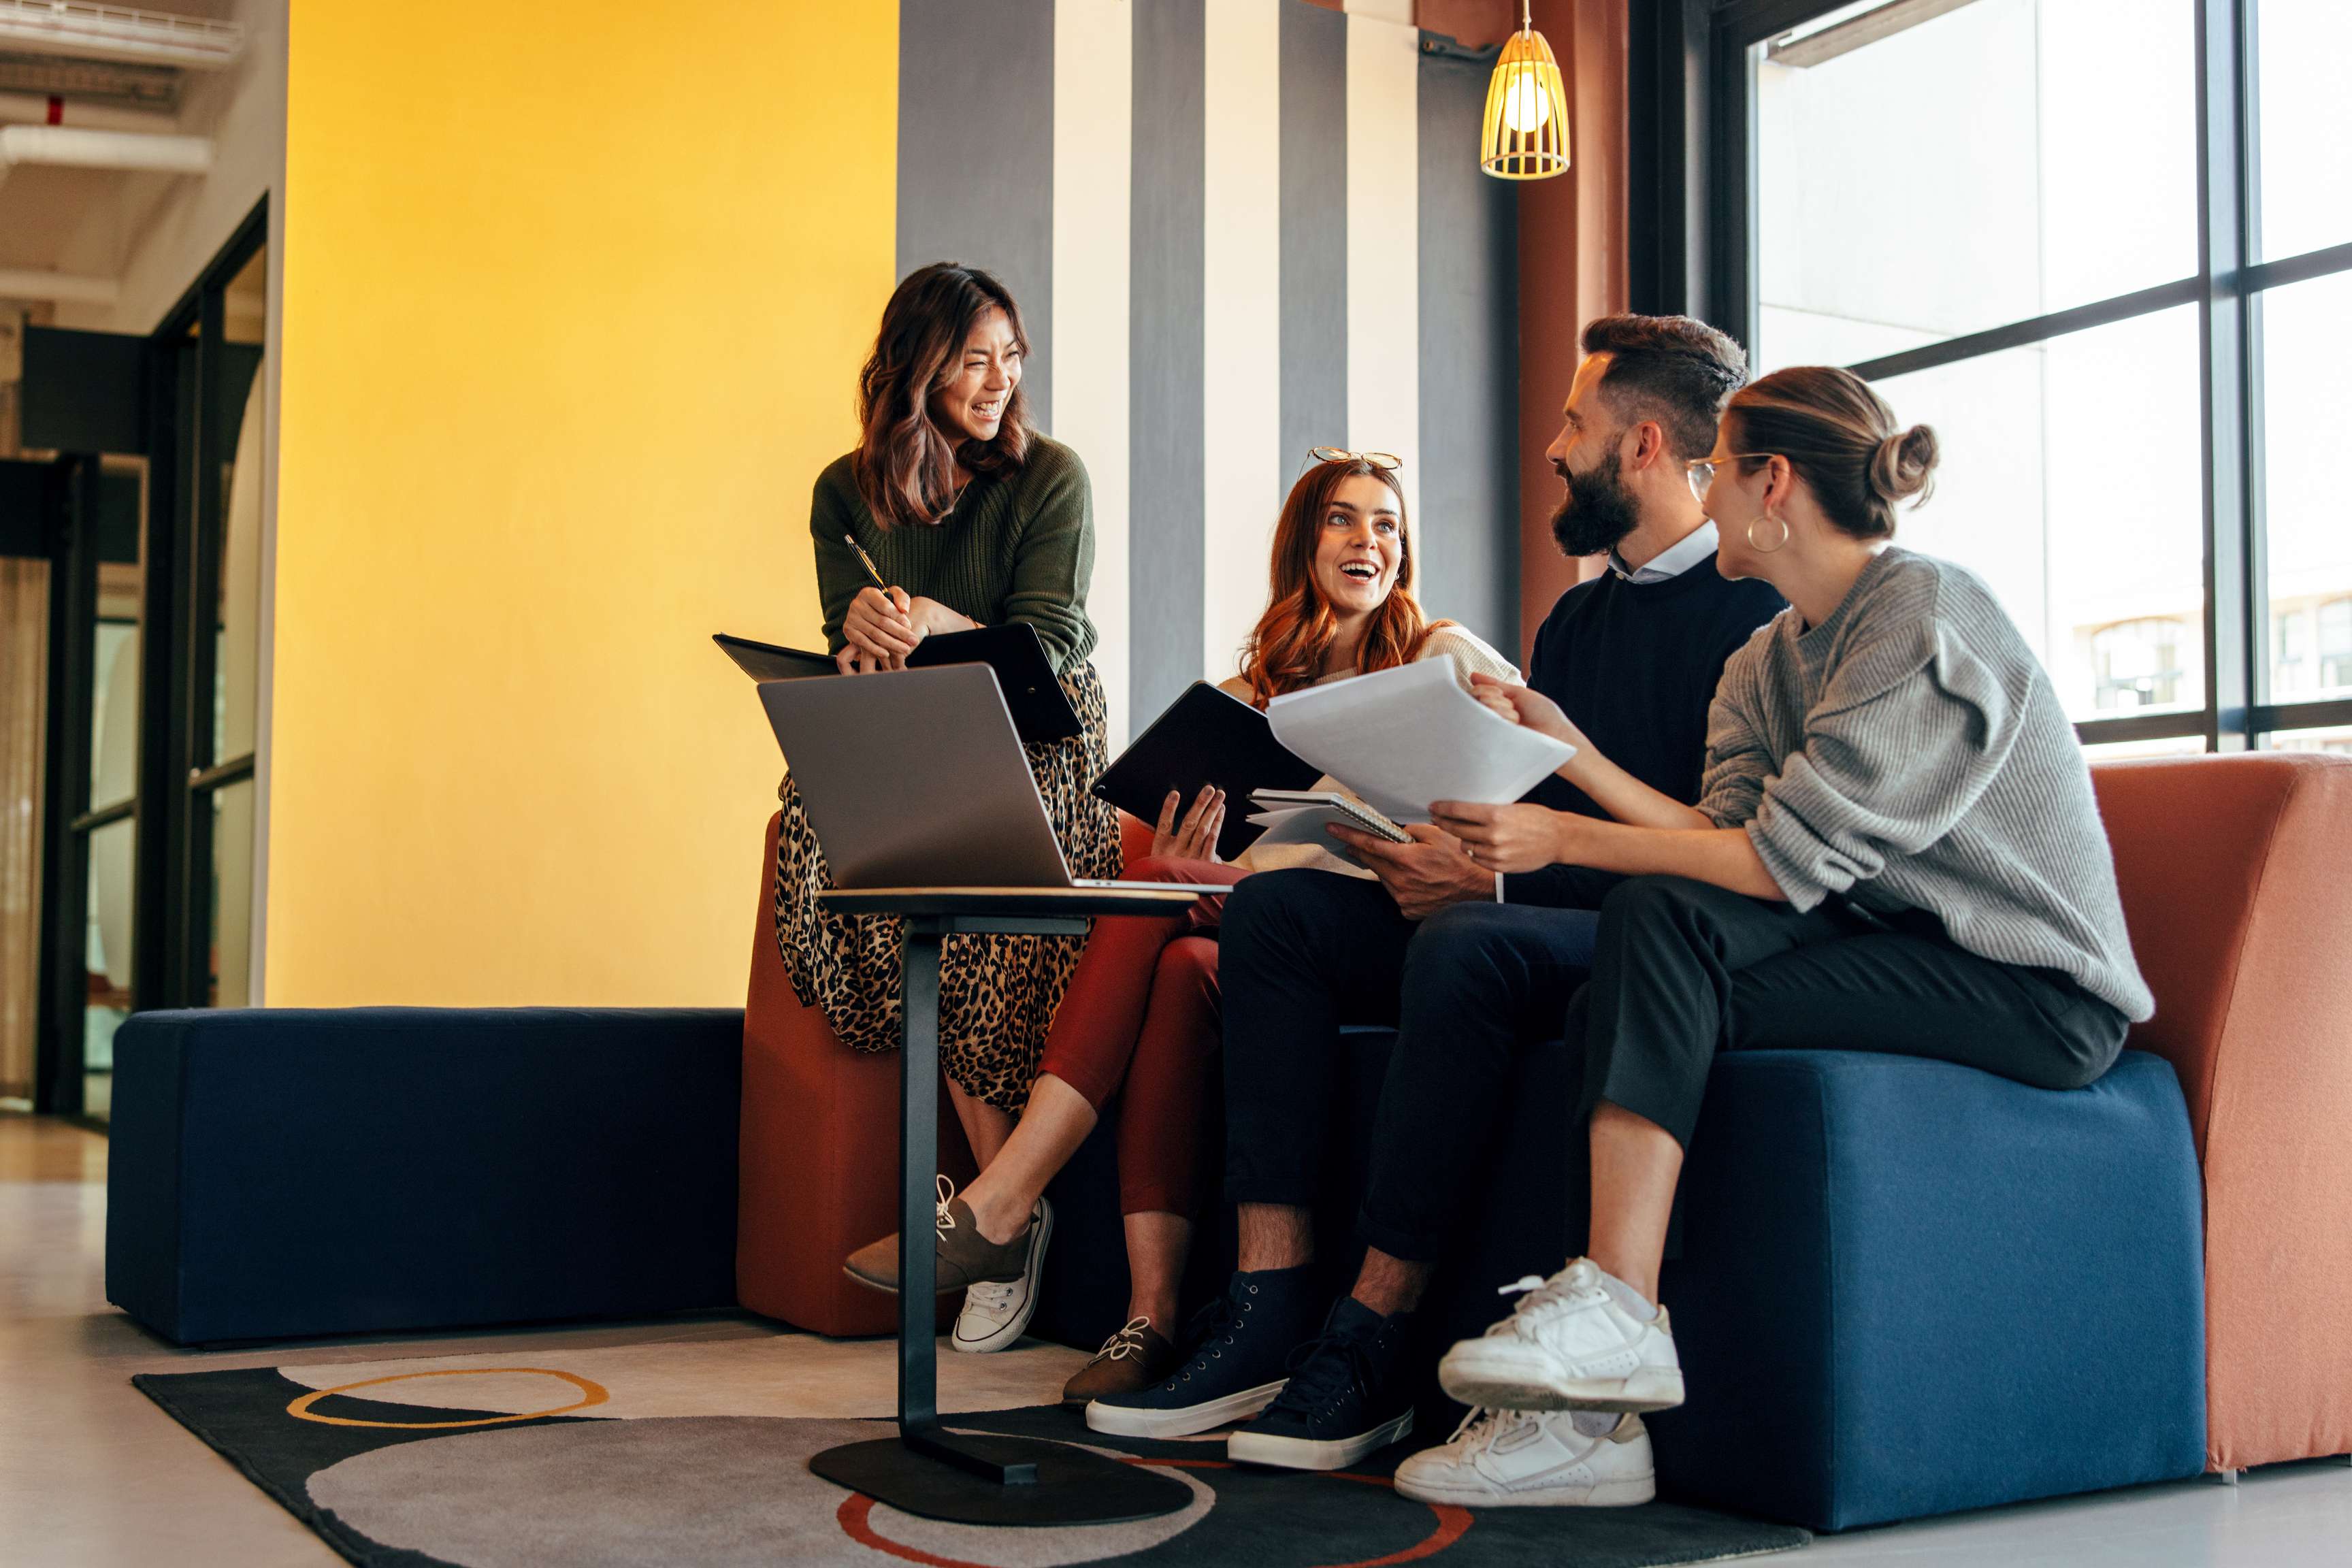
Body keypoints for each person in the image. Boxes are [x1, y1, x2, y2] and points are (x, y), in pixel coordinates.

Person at [1384, 365, 2155, 1507]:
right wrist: (1570, 754)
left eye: (1717, 469)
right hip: (1893, 947)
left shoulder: (1922, 616)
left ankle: (1614, 1323)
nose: (1701, 491)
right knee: (1623, 987)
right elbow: (1723, 833)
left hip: (2030, 987)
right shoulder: (1766, 657)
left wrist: (1561, 837)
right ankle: (1595, 1425)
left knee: (1652, 923)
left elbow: (1768, 866)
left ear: (1771, 483)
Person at [1087, 314, 1787, 1466]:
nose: (1553, 447)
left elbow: (1715, 855)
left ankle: (1374, 1338)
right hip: (1533, 908)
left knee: (1465, 946)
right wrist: (1457, 860)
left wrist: (1489, 885)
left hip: (1653, 936)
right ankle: (1267, 1309)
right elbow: (1522, 800)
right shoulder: (1575, 620)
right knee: (1278, 919)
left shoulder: (1754, 617)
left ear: (1646, 444)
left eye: (1574, 422)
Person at [843, 449, 1518, 1392]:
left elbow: (1522, 773)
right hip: (1263, 939)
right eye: (1343, 520)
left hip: (1396, 927)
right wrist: (1185, 857)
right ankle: (1147, 1320)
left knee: (1178, 907)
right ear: (1303, 546)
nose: (1369, 540)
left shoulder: (1439, 655)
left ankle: (1002, 1205)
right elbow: (1237, 865)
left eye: (1387, 524)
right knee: (1167, 929)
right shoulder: (1247, 701)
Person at [774, 261, 1120, 1358]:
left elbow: (1051, 646)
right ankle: (1003, 1218)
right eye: (975, 358)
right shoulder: (844, 489)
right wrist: (865, 636)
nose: (998, 379)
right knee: (827, 835)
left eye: (1011, 357)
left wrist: (934, 618)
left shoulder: (1050, 476)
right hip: (912, 723)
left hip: (1039, 733)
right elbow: (847, 629)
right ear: (916, 366)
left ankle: (996, 1215)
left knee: (971, 902)